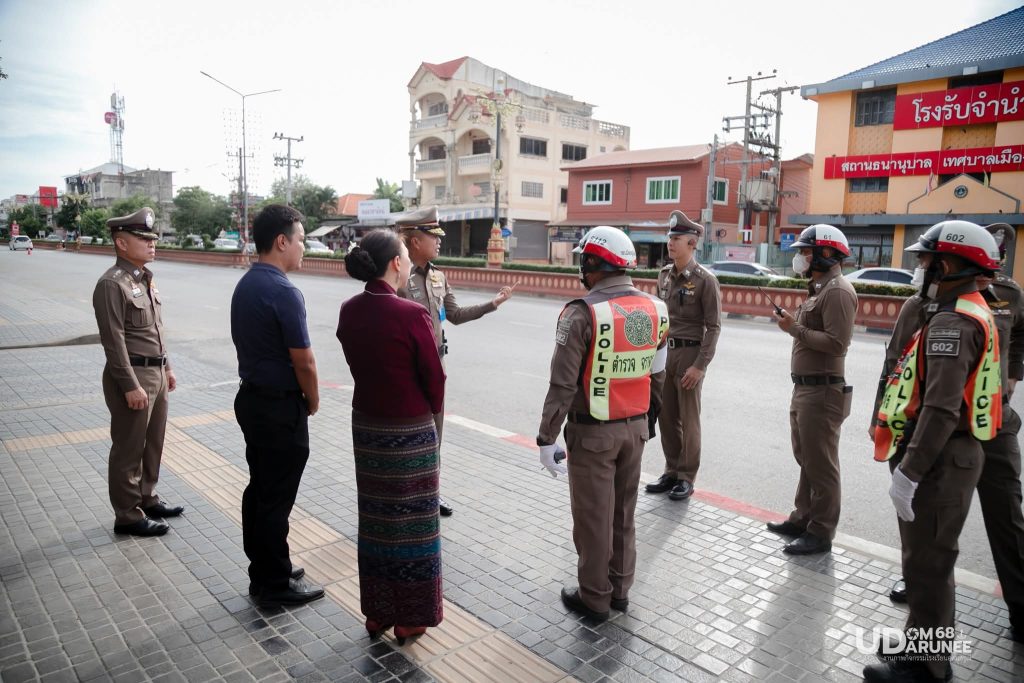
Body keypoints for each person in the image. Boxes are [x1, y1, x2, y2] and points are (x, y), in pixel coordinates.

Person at [866, 221, 1003, 682]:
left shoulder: (952, 322)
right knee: (925, 559)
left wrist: (910, 472)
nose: (919, 269)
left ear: (946, 266)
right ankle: (918, 641)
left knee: (928, 564)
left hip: (940, 461)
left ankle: (929, 668)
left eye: (924, 261)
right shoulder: (967, 308)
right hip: (948, 456)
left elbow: (941, 409)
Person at [536, 226, 669, 621]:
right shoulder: (656, 309)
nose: (582, 267)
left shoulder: (582, 312)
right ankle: (620, 590)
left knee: (594, 519)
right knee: (623, 514)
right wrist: (648, 421)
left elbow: (562, 383)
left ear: (594, 263)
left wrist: (546, 437)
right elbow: (657, 374)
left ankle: (594, 598)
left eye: (584, 260)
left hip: (594, 433)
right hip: (636, 429)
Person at [337, 229, 447, 644]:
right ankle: (410, 617)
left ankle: (378, 611)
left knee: (377, 520)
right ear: (397, 263)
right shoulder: (410, 314)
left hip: (367, 428)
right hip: (410, 430)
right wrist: (430, 413)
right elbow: (435, 378)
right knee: (414, 524)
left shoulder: (349, 310)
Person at [230, 204, 324, 607]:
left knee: (261, 489)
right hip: (278, 408)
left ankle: (266, 567)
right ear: (282, 241)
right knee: (275, 496)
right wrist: (313, 400)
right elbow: (304, 361)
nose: (304, 247)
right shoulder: (284, 291)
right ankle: (274, 582)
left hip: (253, 400)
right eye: (301, 240)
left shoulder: (248, 283)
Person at [396, 206, 515, 517]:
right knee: (408, 434)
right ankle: (406, 495)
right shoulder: (397, 276)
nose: (438, 241)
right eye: (432, 236)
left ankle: (430, 494)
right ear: (414, 241)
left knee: (435, 434)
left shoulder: (438, 276)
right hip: (407, 371)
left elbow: (456, 315)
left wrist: (493, 303)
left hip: (436, 368)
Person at [92, 207, 183, 537]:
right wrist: (130, 384)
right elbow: (113, 341)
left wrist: (167, 367)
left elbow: (156, 329)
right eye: (143, 239)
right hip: (133, 375)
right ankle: (128, 515)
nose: (152, 243)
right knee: (129, 447)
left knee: (153, 442)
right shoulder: (111, 284)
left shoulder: (145, 280)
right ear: (121, 243)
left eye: (152, 239)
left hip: (155, 373)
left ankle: (147, 497)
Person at [767, 224, 857, 555]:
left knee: (821, 465)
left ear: (826, 253)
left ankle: (820, 531)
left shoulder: (838, 292)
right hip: (806, 389)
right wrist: (795, 325)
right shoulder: (820, 289)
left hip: (823, 391)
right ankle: (802, 518)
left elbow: (836, 344)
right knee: (807, 459)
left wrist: (795, 329)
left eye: (807, 251)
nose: (802, 257)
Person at [644, 211, 721, 500]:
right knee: (666, 417)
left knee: (689, 420)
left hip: (690, 355)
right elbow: (659, 318)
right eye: (670, 238)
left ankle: (687, 476)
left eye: (677, 238)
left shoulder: (705, 280)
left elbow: (714, 327)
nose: (670, 243)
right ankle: (672, 470)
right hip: (666, 354)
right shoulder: (664, 275)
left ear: (692, 243)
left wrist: (700, 366)